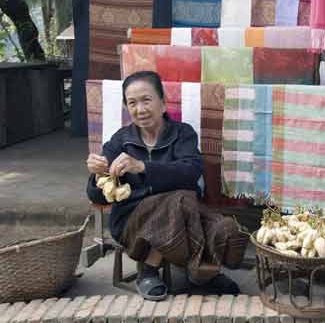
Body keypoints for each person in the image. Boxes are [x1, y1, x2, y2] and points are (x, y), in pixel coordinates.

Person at [86, 71, 248, 300]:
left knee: (226, 231)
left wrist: (142, 167)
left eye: (146, 100)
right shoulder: (119, 141)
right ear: (126, 107)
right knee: (180, 199)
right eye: (132, 103)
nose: (140, 109)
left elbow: (191, 173)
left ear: (163, 103)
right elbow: (98, 196)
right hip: (134, 221)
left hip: (185, 213)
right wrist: (97, 175)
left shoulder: (183, 134)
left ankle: (197, 270)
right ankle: (160, 271)